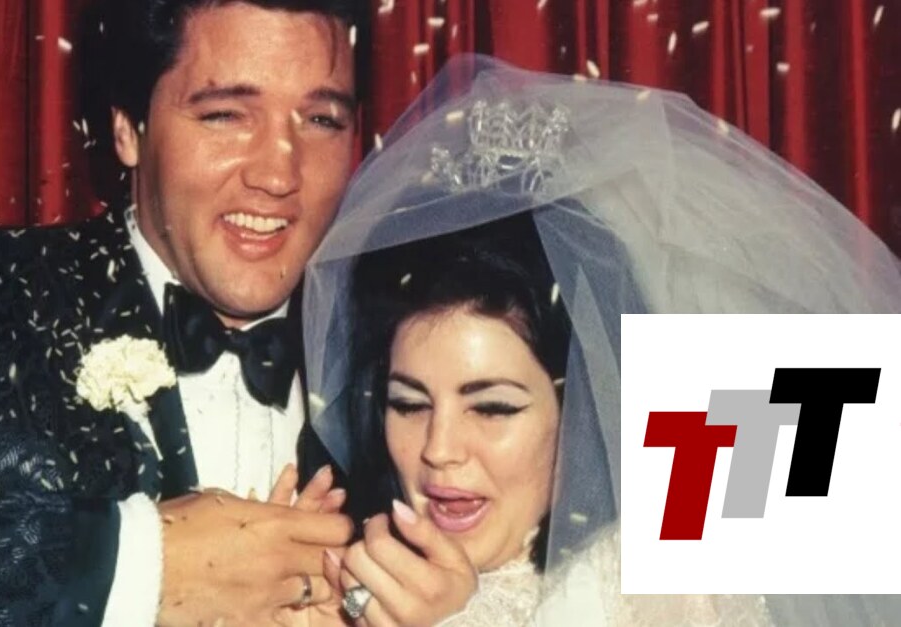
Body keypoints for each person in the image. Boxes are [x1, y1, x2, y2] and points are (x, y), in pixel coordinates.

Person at [0, 1, 367, 625]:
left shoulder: (397, 352)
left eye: (321, 120)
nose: (279, 174)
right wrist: (137, 563)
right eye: (225, 115)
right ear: (127, 129)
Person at [300, 55, 901, 625]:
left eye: (492, 407)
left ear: (588, 401)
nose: (439, 449)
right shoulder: (352, 575)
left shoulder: (671, 587)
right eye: (409, 404)